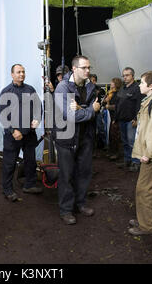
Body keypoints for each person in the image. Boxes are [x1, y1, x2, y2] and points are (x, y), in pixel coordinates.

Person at [53, 55, 101, 225]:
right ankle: (66, 210)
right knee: (66, 175)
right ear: (74, 69)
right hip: (66, 138)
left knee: (84, 172)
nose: (88, 71)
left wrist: (85, 109)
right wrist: (91, 110)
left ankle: (80, 203)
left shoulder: (92, 87)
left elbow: (98, 107)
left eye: (89, 67)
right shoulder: (62, 88)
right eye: (84, 68)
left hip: (85, 137)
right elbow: (71, 115)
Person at [128, 71, 152, 236]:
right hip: (148, 153)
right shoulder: (149, 102)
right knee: (142, 189)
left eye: (142, 83)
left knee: (144, 189)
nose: (139, 85)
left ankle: (148, 226)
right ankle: (144, 220)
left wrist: (149, 153)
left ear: (151, 86)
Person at [0, 64, 43, 202]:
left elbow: (38, 107)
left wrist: (36, 119)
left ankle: (29, 185)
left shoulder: (30, 89)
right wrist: (13, 130)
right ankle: (7, 190)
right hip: (13, 135)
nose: (21, 74)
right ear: (12, 74)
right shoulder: (6, 92)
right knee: (9, 163)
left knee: (30, 161)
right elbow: (2, 115)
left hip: (29, 134)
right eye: (18, 72)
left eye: (23, 72)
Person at [115, 67, 144, 172]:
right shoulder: (123, 88)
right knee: (125, 142)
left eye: (127, 75)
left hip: (131, 120)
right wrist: (115, 118)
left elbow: (139, 105)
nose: (125, 77)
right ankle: (127, 160)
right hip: (122, 119)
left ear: (133, 76)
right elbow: (118, 104)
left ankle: (136, 162)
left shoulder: (137, 88)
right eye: (123, 75)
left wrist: (136, 118)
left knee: (133, 142)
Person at [102, 77, 123, 161]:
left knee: (115, 136)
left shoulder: (119, 94)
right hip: (111, 117)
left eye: (112, 82)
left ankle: (116, 153)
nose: (110, 83)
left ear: (116, 84)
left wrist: (109, 106)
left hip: (116, 117)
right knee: (111, 135)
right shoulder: (109, 93)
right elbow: (103, 103)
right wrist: (105, 101)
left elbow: (119, 107)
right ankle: (112, 152)